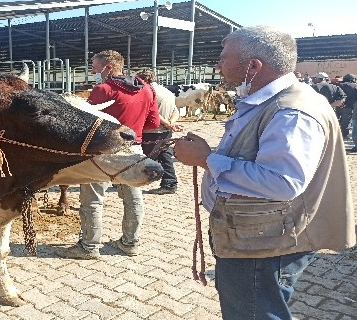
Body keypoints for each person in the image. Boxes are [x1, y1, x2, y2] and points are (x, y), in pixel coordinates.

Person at [173, 25, 355, 320]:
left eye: (224, 57)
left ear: (253, 66)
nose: (218, 64)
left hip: (264, 246)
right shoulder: (271, 101)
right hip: (259, 236)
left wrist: (207, 160)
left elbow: (282, 182)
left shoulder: (291, 112)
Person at [56, 50, 159, 259]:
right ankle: (130, 243)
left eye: (95, 68)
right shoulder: (147, 90)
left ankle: (89, 247)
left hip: (102, 154)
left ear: (108, 68)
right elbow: (154, 124)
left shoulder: (103, 90)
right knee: (133, 199)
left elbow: (85, 126)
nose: (94, 72)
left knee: (92, 200)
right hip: (134, 150)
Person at [139, 69, 183, 195]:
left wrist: (167, 124)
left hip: (151, 131)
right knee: (165, 156)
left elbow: (154, 113)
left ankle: (133, 180)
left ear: (144, 80)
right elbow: (176, 111)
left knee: (141, 157)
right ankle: (169, 183)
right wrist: (171, 124)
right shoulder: (167, 91)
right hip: (165, 132)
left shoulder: (147, 92)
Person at [336, 73, 357, 139]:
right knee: (346, 122)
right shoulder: (355, 86)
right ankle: (344, 135)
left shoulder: (338, 85)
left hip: (338, 105)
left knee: (336, 121)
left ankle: (336, 134)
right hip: (349, 107)